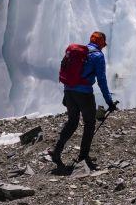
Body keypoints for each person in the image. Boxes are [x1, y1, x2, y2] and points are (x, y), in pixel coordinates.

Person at [50, 31, 116, 171]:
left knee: (72, 122)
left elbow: (70, 72)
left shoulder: (79, 52)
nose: (103, 47)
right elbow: (101, 80)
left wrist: (67, 93)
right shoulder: (97, 56)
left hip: (68, 91)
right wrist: (109, 101)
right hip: (84, 93)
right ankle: (83, 157)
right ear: (101, 43)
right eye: (103, 44)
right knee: (89, 123)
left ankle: (56, 152)